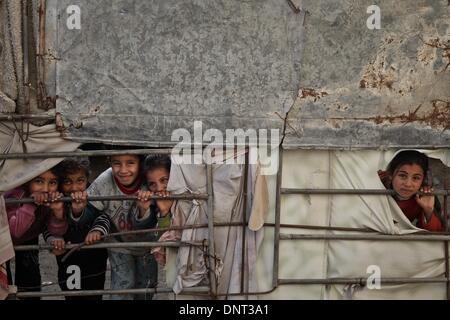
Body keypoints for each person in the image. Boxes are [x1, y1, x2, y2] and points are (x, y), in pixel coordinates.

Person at [75, 153, 158, 300]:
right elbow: (90, 212)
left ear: (141, 162)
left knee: (145, 288)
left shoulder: (149, 180)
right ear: (109, 162)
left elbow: (151, 221)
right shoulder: (104, 181)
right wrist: (79, 209)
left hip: (148, 245)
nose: (123, 170)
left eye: (130, 162)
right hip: (119, 244)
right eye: (117, 163)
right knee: (122, 286)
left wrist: (144, 209)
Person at [43, 158, 108, 300]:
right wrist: (53, 238)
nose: (74, 188)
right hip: (68, 256)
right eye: (67, 182)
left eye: (80, 181)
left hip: (94, 255)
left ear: (87, 179)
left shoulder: (94, 194)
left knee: (94, 292)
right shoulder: (57, 199)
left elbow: (104, 216)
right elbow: (45, 224)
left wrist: (97, 230)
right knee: (70, 292)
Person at [5, 167, 68, 299]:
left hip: (29, 237)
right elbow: (16, 232)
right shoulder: (15, 195)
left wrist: (57, 212)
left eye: (52, 182)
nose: (45, 189)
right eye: (39, 181)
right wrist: (31, 204)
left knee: (30, 278)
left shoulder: (52, 198)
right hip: (4, 240)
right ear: (27, 181)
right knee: (4, 286)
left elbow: (55, 231)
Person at [378, 150, 443, 232]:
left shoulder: (422, 197)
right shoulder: (376, 183)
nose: (408, 184)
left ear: (423, 179)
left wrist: (428, 210)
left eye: (416, 178)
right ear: (390, 175)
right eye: (402, 175)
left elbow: (434, 235)